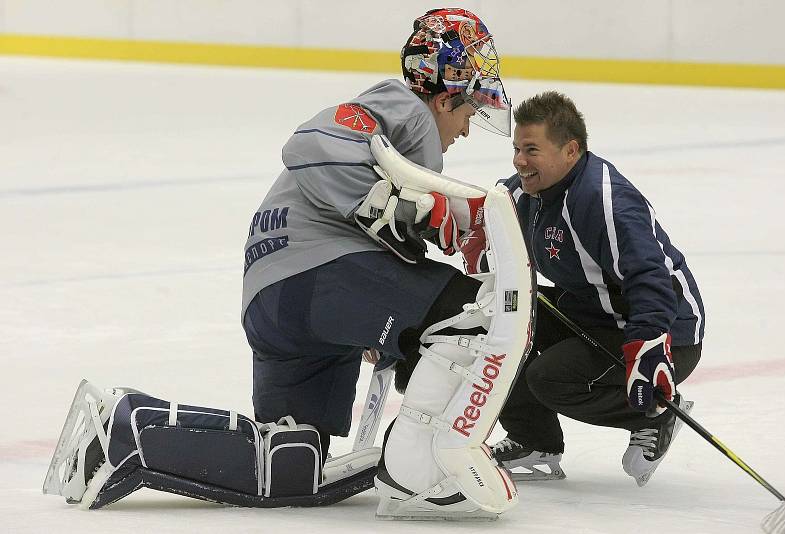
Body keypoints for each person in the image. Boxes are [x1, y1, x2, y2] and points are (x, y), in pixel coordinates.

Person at [43, 9, 532, 517]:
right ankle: (422, 469)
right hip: (319, 276)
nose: (466, 131)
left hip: (275, 297)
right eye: (468, 113)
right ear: (446, 94)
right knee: (470, 313)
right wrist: (418, 210)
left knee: (288, 464)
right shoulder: (404, 109)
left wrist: (389, 300)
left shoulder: (396, 139)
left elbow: (370, 216)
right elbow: (311, 145)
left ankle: (125, 432)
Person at [486, 92, 704, 486]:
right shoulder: (525, 191)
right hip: (593, 311)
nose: (519, 160)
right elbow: (485, 208)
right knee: (501, 319)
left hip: (663, 332)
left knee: (549, 378)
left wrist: (649, 345)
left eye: (532, 149)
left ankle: (654, 412)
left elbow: (650, 278)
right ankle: (535, 441)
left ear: (570, 150)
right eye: (517, 148)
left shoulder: (604, 202)